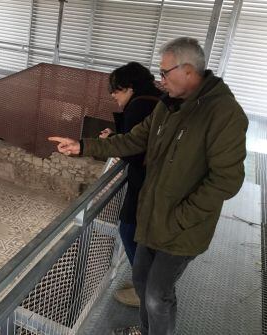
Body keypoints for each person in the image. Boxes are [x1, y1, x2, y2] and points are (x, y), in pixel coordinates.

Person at [49, 37, 248, 335]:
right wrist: (82, 145)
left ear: (189, 71)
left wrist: (181, 217)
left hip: (182, 228)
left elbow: (227, 180)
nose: (160, 79)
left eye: (165, 72)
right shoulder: (167, 107)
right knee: (142, 281)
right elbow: (133, 139)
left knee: (158, 294)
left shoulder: (224, 115)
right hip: (153, 218)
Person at [101, 62, 162, 308]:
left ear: (129, 88)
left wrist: (113, 143)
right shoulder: (156, 100)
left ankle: (144, 292)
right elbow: (139, 141)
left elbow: (135, 152)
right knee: (140, 234)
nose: (113, 95)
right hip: (156, 182)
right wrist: (117, 139)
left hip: (147, 183)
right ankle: (143, 284)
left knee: (129, 229)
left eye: (116, 90)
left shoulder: (139, 106)